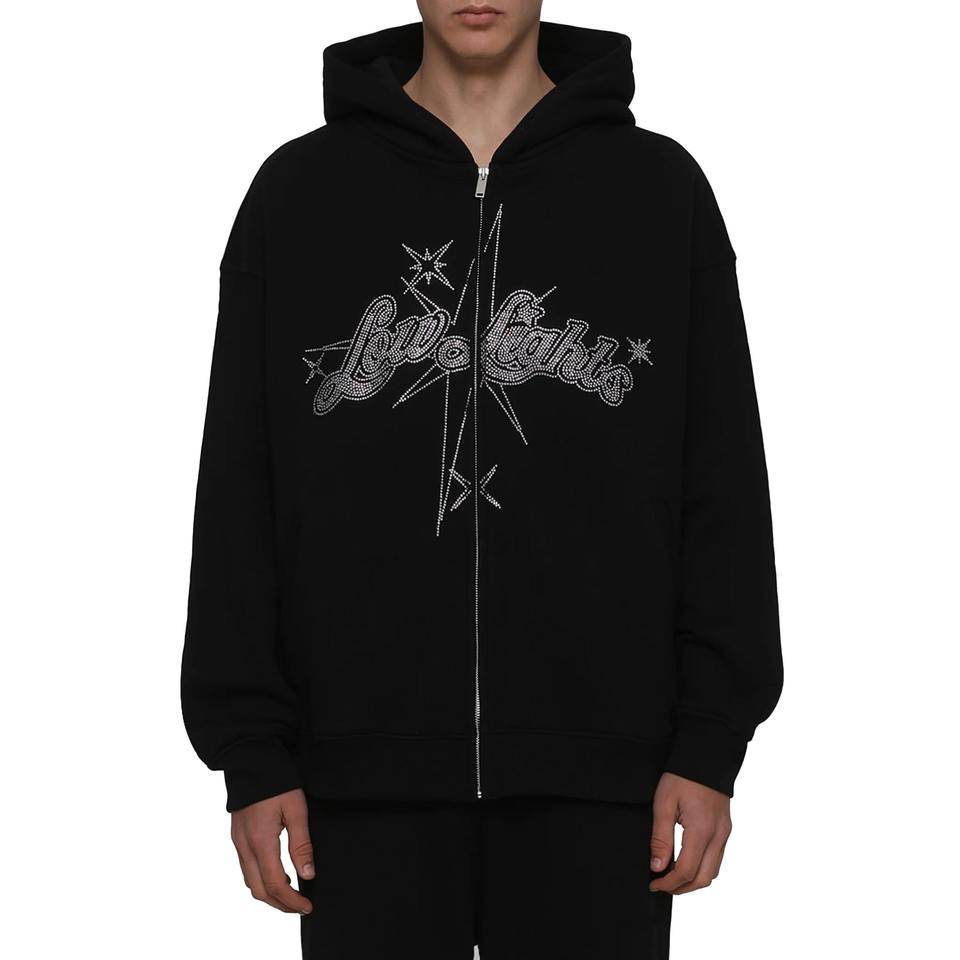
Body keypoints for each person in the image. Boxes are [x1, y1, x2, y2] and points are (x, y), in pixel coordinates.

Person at [180, 2, 784, 957]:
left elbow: (722, 482)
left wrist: (711, 739)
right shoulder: (298, 195)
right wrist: (251, 751)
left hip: (605, 782)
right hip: (356, 783)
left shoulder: (658, 192)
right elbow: (239, 488)